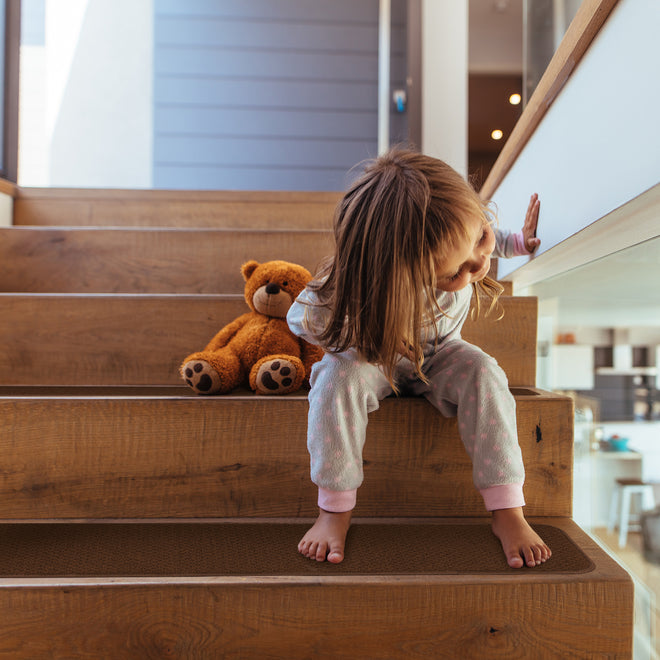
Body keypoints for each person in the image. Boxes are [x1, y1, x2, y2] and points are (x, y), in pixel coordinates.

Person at [287, 148, 550, 569]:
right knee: (337, 378)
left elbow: (477, 240)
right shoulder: (348, 286)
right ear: (392, 272)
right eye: (452, 274)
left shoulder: (466, 238)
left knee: (485, 371)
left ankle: (507, 510)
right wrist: (360, 335)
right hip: (373, 360)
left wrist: (514, 242)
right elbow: (299, 318)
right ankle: (334, 511)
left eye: (481, 239)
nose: (479, 266)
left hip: (442, 354)